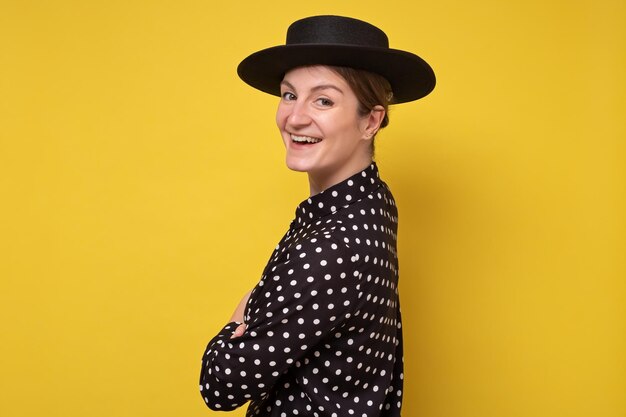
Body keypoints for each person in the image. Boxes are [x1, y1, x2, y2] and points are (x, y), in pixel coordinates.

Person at [199, 15, 435, 416]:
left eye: (323, 100)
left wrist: (243, 312)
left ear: (371, 121)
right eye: (289, 95)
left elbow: (220, 385)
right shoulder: (372, 199)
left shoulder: (332, 247)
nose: (295, 118)